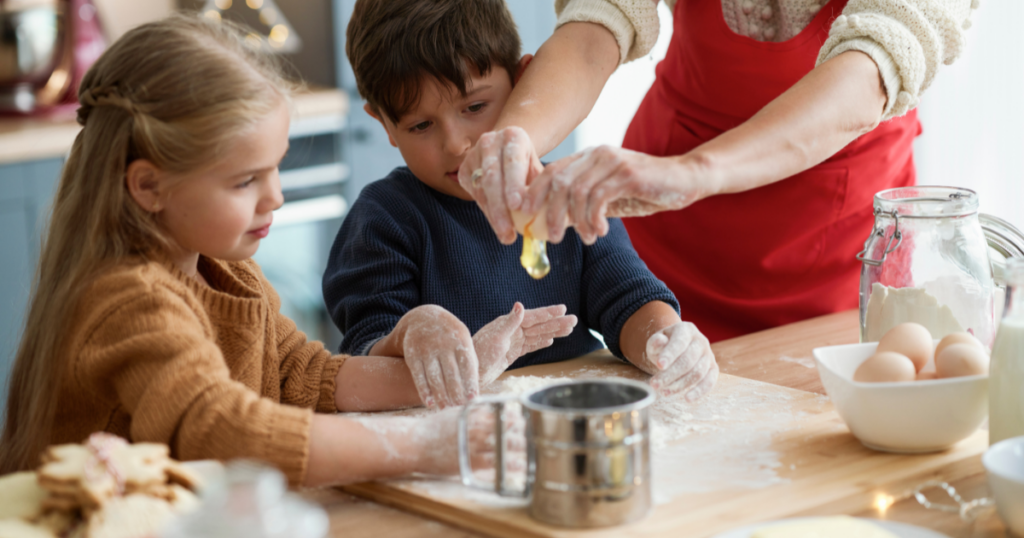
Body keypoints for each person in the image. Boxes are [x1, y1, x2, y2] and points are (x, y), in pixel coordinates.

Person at [0, 15, 507, 486]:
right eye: (245, 181)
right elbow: (218, 430)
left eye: (275, 168)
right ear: (149, 186)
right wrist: (418, 445)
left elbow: (299, 375)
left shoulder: (226, 270)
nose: (276, 197)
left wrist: (447, 378)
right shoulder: (128, 300)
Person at [458, 0, 974, 342]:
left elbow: (872, 70)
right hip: (667, 247)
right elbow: (601, 17)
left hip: (836, 256)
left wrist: (693, 174)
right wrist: (517, 134)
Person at [324, 0, 719, 404]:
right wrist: (410, 332)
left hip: (568, 423)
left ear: (523, 81)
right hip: (451, 443)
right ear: (385, 125)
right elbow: (363, 356)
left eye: (475, 107)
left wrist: (665, 340)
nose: (456, 144)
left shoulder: (564, 193)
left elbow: (628, 298)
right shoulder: (383, 219)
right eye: (420, 125)